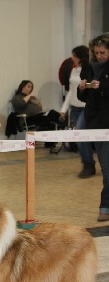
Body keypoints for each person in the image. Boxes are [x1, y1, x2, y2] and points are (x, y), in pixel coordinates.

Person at [77, 33, 109, 222]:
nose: (99, 56)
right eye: (96, 52)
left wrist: (102, 86)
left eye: (103, 52)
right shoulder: (88, 68)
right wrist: (83, 88)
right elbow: (84, 98)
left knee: (107, 167)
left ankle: (104, 207)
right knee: (106, 168)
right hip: (96, 123)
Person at [60, 45, 96, 178]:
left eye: (74, 55)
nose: (72, 58)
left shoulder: (89, 69)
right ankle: (88, 163)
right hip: (74, 109)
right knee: (81, 136)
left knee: (80, 135)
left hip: (85, 108)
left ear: (80, 57)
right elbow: (70, 91)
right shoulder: (73, 70)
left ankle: (88, 163)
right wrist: (64, 109)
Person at [8, 80, 63, 147]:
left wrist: (39, 104)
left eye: (31, 88)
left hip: (37, 117)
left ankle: (49, 143)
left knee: (51, 119)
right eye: (29, 87)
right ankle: (63, 123)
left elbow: (40, 111)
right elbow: (20, 104)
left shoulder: (29, 99)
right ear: (22, 86)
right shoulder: (17, 97)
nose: (30, 89)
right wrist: (29, 96)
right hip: (27, 119)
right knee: (51, 114)